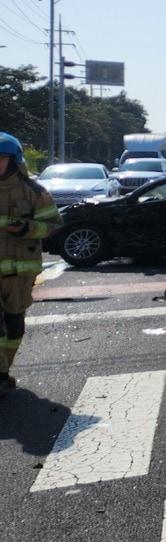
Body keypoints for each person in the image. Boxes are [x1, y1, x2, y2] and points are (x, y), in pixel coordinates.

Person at [0, 133, 59, 397]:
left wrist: (26, 228)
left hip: (19, 276)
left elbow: (53, 226)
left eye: (0, 159)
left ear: (13, 161)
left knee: (14, 328)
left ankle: (3, 371)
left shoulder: (35, 192)